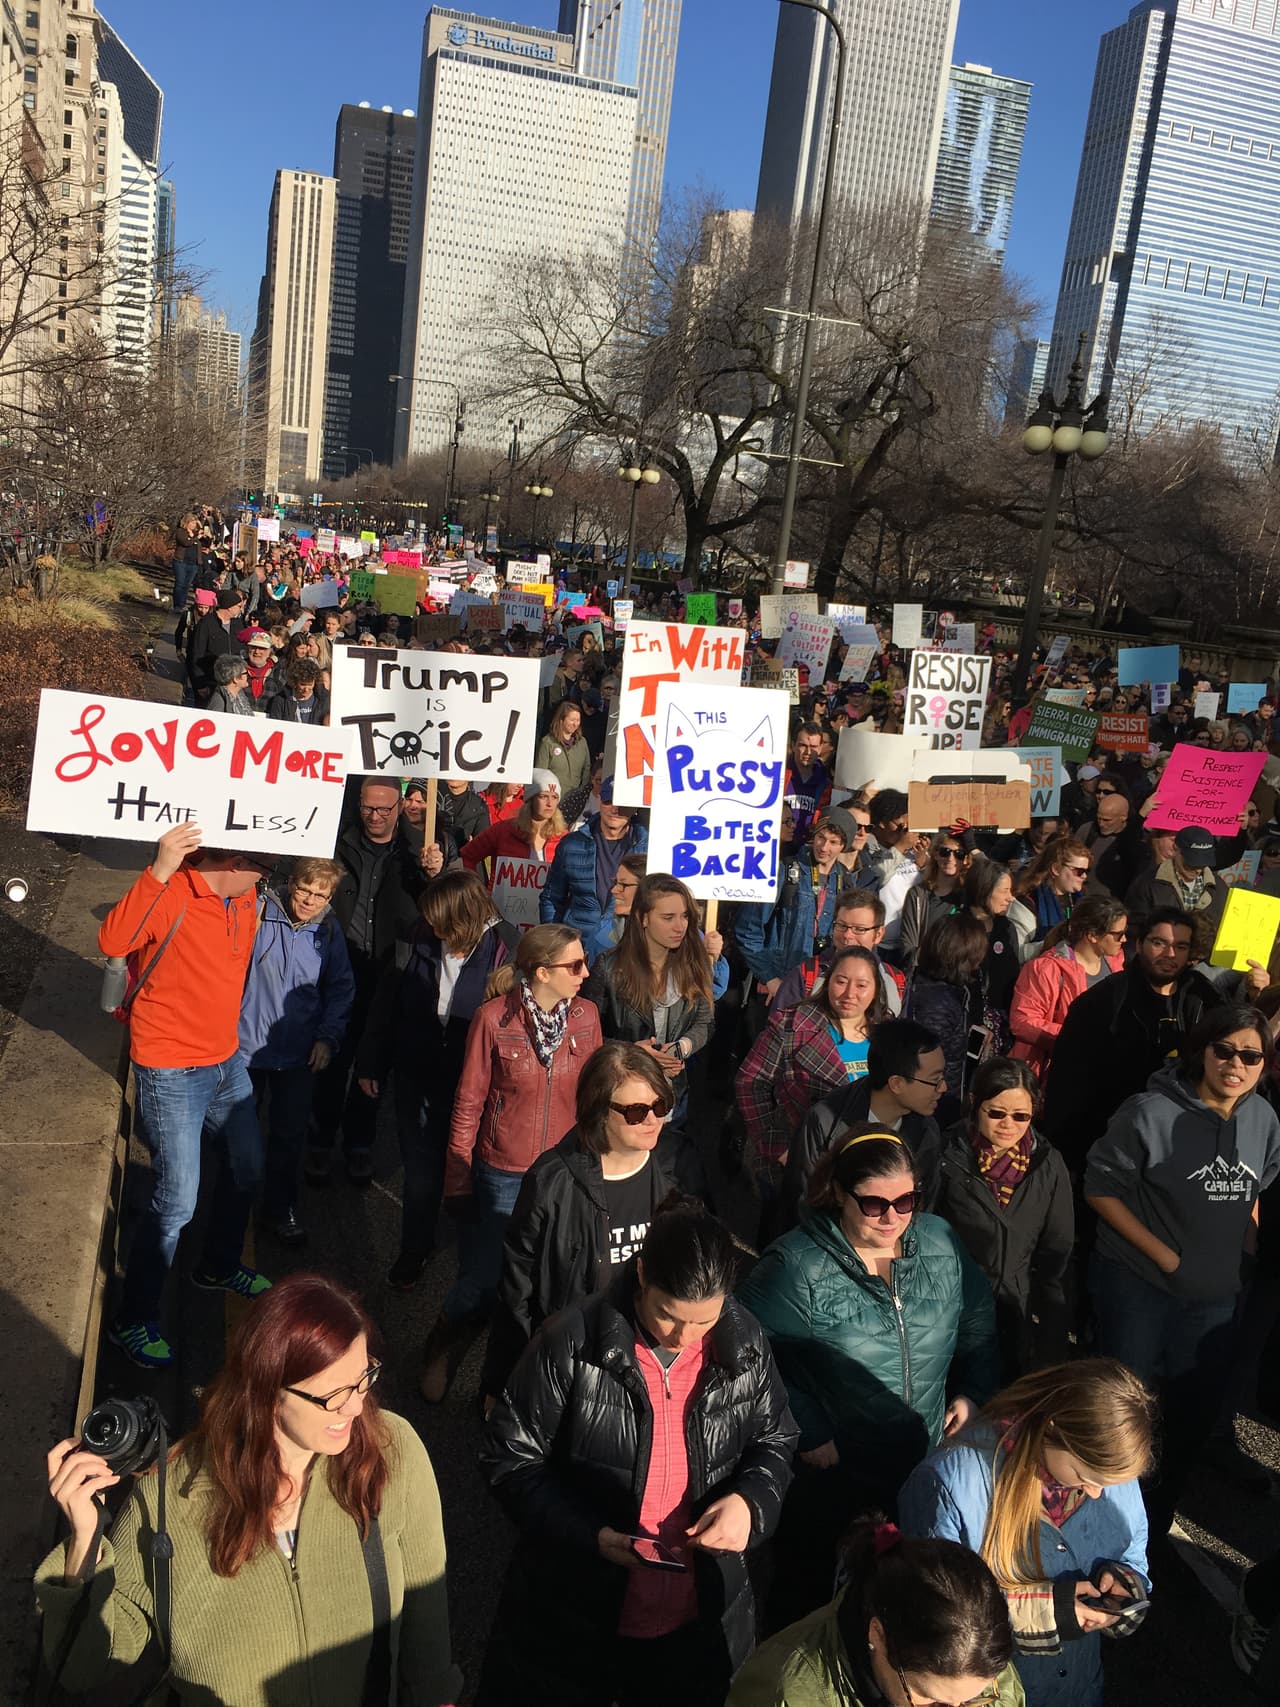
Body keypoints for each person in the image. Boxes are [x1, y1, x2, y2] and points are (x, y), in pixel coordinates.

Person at [39, 1275, 461, 1705]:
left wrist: (438, 1695)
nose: (356, 1406)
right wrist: (85, 1543)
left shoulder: (393, 1450)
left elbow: (427, 1599)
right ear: (266, 1392)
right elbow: (85, 1666)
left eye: (363, 1377)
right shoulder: (170, 1499)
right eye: (333, 1395)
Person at [477, 1203, 798, 1707]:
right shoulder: (568, 1344)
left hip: (702, 1612)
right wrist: (590, 1534)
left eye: (704, 1322)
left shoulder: (746, 1342)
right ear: (642, 1273)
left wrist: (750, 1502)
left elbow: (775, 1439)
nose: (682, 1338)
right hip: (580, 1616)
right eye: (668, 1316)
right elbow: (509, 1460)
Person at [739, 1126, 999, 1627]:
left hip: (919, 1468)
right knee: (811, 1602)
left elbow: (977, 1319)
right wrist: (808, 1426)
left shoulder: (940, 1242)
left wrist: (972, 1391)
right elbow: (747, 1353)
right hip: (835, 1476)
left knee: (900, 1605)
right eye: (875, 1204)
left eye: (906, 1201)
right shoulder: (796, 1265)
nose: (893, 1218)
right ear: (838, 1193)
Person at [1085, 1004, 1280, 1534]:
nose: (1235, 1064)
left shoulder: (1263, 1119)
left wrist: (1247, 1248)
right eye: (1224, 1050)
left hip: (1215, 1299)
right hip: (1140, 1288)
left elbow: (1254, 1188)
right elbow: (1101, 1190)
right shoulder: (1149, 1112)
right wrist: (1166, 1255)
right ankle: (1099, 1526)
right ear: (1202, 1051)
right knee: (1126, 1413)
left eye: (1251, 1055)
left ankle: (1155, 1532)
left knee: (1191, 1419)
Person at [100, 823, 272, 1368]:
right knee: (177, 1201)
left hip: (226, 1061)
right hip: (171, 1068)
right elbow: (111, 941)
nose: (268, 879)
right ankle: (133, 1320)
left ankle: (217, 1265)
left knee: (248, 1166)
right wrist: (160, 866)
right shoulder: (173, 889)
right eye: (263, 868)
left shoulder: (247, 900)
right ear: (235, 861)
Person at [899, 1359, 1154, 1707]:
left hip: (1080, 1689)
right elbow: (937, 1615)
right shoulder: (950, 1486)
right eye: (1085, 1475)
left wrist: (1127, 1582)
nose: (1097, 1493)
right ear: (1052, 1430)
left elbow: (1133, 1545)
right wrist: (1048, 1614)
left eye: (1107, 1482)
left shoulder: (1110, 1467)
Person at [422, 925, 602, 1401]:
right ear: (542, 972)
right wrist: (458, 1176)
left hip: (561, 1174)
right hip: (502, 1170)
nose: (586, 973)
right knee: (482, 1280)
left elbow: (594, 1097)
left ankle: (500, 1383)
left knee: (536, 1288)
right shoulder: (492, 1019)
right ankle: (441, 1344)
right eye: (575, 965)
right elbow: (469, 1101)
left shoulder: (587, 1017)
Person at [480, 1041, 678, 1402]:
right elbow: (517, 1291)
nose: (653, 1120)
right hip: (573, 1361)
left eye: (660, 1105)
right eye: (635, 1112)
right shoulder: (551, 1182)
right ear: (599, 1112)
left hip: (649, 1358)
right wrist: (504, 1380)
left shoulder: (679, 1170)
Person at [355, 870, 519, 1290]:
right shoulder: (417, 934)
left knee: (475, 1173)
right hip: (417, 1076)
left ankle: (478, 1264)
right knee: (422, 1172)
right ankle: (415, 1248)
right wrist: (372, 1061)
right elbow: (387, 999)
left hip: (477, 1087)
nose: (433, 929)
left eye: (441, 922)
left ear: (465, 917)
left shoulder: (508, 947)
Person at [727, 1519, 1023, 1707]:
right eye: (929, 1701)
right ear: (877, 1635)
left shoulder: (976, 1661)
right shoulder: (786, 1695)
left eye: (973, 1701)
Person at [309, 777, 442, 1186]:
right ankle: (320, 1141)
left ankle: (359, 1143)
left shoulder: (421, 849)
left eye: (385, 809)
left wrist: (434, 874)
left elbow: (440, 907)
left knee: (374, 1067)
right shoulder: (335, 837)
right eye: (369, 807)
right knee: (331, 1059)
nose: (375, 816)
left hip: (389, 972)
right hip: (337, 967)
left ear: (400, 807)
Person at [1040, 907, 1220, 1173]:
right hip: (1109, 1146)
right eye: (1159, 943)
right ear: (1140, 943)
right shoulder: (1103, 1002)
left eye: (1180, 946)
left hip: (1182, 1148)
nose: (1170, 954)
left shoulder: (1205, 998)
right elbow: (1067, 1086)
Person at [239, 858, 354, 1247]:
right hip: (244, 1049)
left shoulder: (329, 929)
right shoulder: (256, 913)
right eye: (305, 889)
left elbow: (340, 988)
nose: (309, 900)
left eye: (321, 895)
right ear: (291, 883)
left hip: (299, 1054)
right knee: (237, 1136)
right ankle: (229, 1210)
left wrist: (327, 1038)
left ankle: (279, 1210)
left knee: (288, 1138)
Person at [936, 1058, 1073, 1377]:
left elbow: (1057, 1261)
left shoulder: (1048, 1164)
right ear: (975, 1103)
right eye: (996, 1112)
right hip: (952, 1317)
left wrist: (1051, 1352)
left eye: (1021, 1116)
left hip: (1014, 1318)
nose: (1008, 1125)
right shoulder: (944, 1155)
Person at [739, 946, 891, 1180]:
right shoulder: (792, 1025)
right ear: (828, 982)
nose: (849, 993)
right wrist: (778, 1149)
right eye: (841, 981)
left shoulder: (888, 1035)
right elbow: (750, 1082)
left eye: (861, 985)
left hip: (868, 1164)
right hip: (802, 1162)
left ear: (876, 990)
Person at [782, 1018, 946, 1226]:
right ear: (896, 1083)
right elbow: (803, 1204)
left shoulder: (927, 1132)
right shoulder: (825, 1122)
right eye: (935, 1080)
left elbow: (923, 1213)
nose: (943, 1088)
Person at [582, 873, 714, 1115]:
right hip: (619, 1097)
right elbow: (585, 1035)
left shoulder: (695, 962)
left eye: (685, 916)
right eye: (668, 917)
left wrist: (681, 1048)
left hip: (674, 1099)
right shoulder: (609, 967)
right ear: (643, 918)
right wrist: (632, 1052)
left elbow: (705, 1020)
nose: (680, 926)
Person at [735, 809, 860, 1001]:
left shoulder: (846, 881)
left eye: (833, 842)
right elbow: (748, 929)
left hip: (820, 990)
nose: (824, 847)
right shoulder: (784, 870)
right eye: (821, 837)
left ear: (844, 846)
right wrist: (770, 979)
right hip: (779, 985)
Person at [1008, 895, 1128, 1083]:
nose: (1124, 939)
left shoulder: (1116, 963)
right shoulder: (1046, 968)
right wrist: (1076, 1037)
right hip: (1058, 1075)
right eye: (1118, 934)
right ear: (1093, 935)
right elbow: (1022, 1021)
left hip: (1103, 1073)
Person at [906, 913, 993, 1123]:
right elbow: (927, 1063)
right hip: (935, 1108)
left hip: (943, 1100)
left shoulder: (944, 990)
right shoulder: (938, 1002)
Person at [540, 778, 648, 940]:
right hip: (578, 943)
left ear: (635, 807)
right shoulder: (571, 844)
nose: (615, 809)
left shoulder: (650, 849)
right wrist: (554, 942)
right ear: (598, 800)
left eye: (623, 803)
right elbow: (552, 898)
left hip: (628, 944)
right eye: (608, 801)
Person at [771, 888, 905, 1017]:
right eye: (842, 925)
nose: (847, 935)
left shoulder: (896, 981)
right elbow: (778, 1030)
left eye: (859, 929)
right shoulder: (806, 975)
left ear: (879, 934)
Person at [460, 771, 568, 900]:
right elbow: (467, 856)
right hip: (502, 913)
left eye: (555, 797)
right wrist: (477, 894)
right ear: (530, 799)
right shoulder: (503, 831)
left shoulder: (565, 839)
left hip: (546, 917)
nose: (550, 803)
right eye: (543, 796)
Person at [855, 791, 929, 957]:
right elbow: (875, 877)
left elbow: (932, 887)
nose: (907, 831)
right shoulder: (867, 847)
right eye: (901, 825)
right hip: (879, 945)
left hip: (911, 941)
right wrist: (900, 847)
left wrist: (923, 862)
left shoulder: (914, 850)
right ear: (882, 823)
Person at [1124, 823, 1228, 933]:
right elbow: (1133, 929)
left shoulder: (1219, 887)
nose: (1197, 870)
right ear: (1176, 849)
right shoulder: (1147, 884)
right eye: (1191, 864)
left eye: (1202, 864)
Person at [1007, 837, 1091, 961]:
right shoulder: (1028, 901)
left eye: (1087, 871)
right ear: (1056, 869)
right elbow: (1016, 953)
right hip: (1039, 974)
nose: (1084, 876)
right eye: (1079, 871)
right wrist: (1057, 942)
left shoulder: (1082, 899)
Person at [898, 834, 970, 972]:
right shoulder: (917, 894)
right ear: (935, 855)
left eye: (959, 854)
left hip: (958, 974)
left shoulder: (968, 896)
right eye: (945, 852)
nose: (951, 858)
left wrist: (973, 848)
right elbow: (907, 946)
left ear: (966, 860)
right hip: (923, 976)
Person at [965, 859, 1020, 1020]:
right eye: (1005, 891)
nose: (1010, 898)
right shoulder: (958, 928)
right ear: (985, 890)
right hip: (968, 1018)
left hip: (1002, 1018)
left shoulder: (1007, 928)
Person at [1078, 779, 1147, 901]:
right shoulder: (1087, 831)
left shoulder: (1135, 840)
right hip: (1084, 901)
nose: (1101, 824)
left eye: (1107, 820)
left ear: (1123, 817)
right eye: (1099, 819)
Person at [186, 588, 247, 705]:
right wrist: (200, 685)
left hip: (233, 683)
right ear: (230, 607)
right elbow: (196, 655)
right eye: (239, 606)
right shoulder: (206, 624)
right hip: (210, 682)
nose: (241, 609)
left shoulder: (237, 624)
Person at [584, 851, 648, 963]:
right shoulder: (601, 936)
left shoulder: (676, 934)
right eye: (616, 882)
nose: (614, 890)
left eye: (624, 885)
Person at [536, 698, 592, 815]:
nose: (575, 723)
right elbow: (540, 773)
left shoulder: (582, 742)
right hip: (554, 802)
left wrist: (581, 793)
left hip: (577, 802)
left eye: (578, 720)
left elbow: (586, 768)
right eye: (572, 720)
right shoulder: (548, 742)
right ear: (561, 720)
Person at [784, 722, 831, 843]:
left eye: (814, 747)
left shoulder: (826, 783)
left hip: (807, 849)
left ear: (820, 748)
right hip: (779, 847)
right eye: (803, 745)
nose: (808, 752)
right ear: (793, 745)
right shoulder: (780, 775)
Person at [266, 657, 330, 724]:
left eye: (310, 684)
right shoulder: (281, 700)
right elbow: (274, 725)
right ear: (295, 682)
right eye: (303, 684)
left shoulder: (324, 699)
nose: (306, 689)